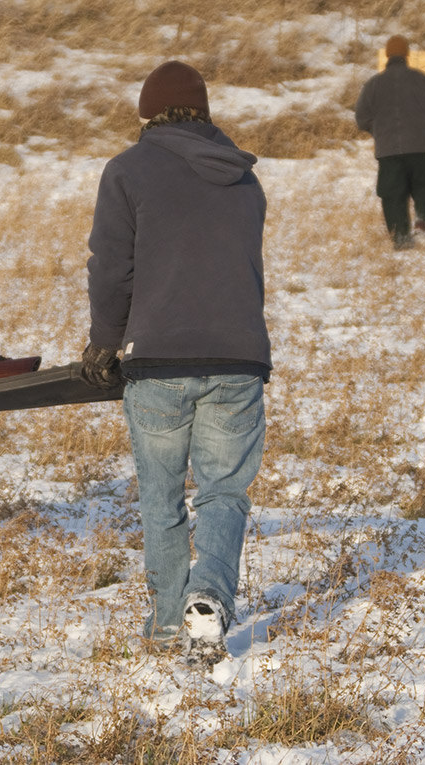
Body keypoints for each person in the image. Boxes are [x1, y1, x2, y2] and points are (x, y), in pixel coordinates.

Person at [81, 61, 271, 666]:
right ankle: (208, 600)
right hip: (237, 358)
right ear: (205, 111)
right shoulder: (244, 178)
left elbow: (112, 266)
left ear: (146, 112)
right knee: (223, 495)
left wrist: (106, 341)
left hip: (156, 359)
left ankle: (168, 626)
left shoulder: (128, 171)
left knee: (162, 499)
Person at [354, 35, 425, 248]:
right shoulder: (422, 79)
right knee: (424, 184)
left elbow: (361, 119)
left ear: (387, 55)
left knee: (392, 193)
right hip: (420, 146)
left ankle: (399, 237)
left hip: (388, 149)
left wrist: (378, 130)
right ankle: (421, 224)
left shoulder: (373, 84)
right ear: (407, 55)